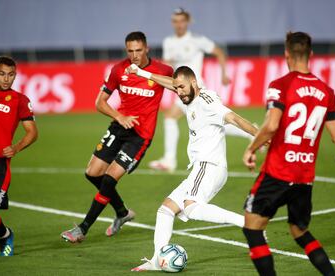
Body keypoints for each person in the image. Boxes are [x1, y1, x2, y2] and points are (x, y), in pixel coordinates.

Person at [126, 65, 258, 271]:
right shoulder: (189, 92)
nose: (178, 93)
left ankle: (248, 224)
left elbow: (234, 119)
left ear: (194, 83)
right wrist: (141, 73)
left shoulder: (208, 103)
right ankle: (156, 260)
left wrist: (259, 137)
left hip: (209, 165)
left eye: (181, 88)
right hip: (201, 167)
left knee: (191, 207)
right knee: (166, 209)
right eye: (176, 88)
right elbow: (171, 83)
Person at [242, 32, 335, 276]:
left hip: (278, 172)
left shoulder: (280, 85)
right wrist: (329, 103)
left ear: (286, 54)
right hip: (304, 176)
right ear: (311, 54)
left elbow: (271, 125)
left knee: (252, 228)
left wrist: (251, 148)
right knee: (299, 231)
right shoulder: (326, 90)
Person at [60, 32, 173, 243]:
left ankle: (83, 229)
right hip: (119, 127)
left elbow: (177, 86)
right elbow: (99, 103)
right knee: (92, 173)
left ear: (147, 49)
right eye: (130, 51)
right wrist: (119, 116)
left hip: (140, 135)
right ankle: (122, 212)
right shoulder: (118, 70)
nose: (135, 55)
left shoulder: (162, 70)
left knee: (110, 178)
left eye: (138, 50)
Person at [149, 8, 253, 172]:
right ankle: (249, 131)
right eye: (175, 21)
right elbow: (168, 65)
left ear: (187, 22)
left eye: (182, 21)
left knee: (181, 118)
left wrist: (224, 73)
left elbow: (218, 52)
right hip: (181, 89)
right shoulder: (168, 42)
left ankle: (169, 161)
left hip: (196, 89)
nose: (179, 24)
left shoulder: (197, 40)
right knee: (207, 121)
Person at [0, 56, 38, 256]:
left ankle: (5, 234)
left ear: (15, 76)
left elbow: (32, 132)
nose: (6, 79)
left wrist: (16, 147)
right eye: (2, 74)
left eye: (11, 75)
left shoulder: (20, 100)